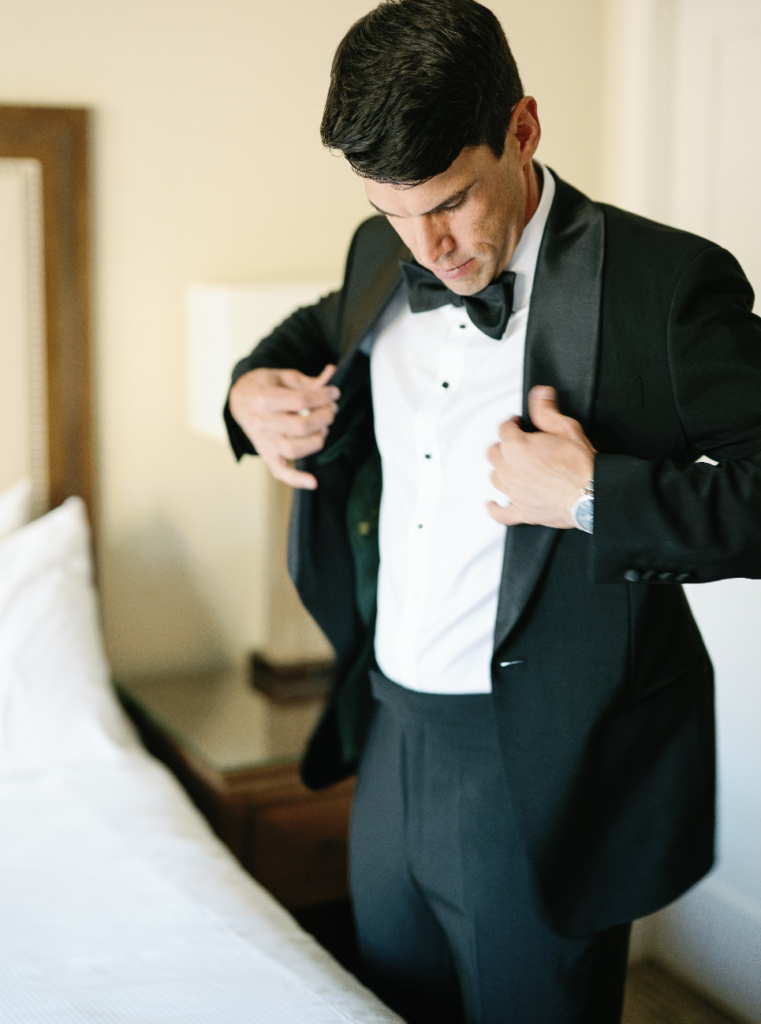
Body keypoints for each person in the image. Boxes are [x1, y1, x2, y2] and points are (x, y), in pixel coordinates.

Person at [224, 1, 761, 1021]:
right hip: (387, 740)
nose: (426, 248)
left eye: (453, 201)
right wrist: (248, 392)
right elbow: (311, 327)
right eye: (392, 212)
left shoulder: (661, 286)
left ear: (521, 129)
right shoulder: (379, 249)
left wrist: (598, 495)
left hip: (543, 765)